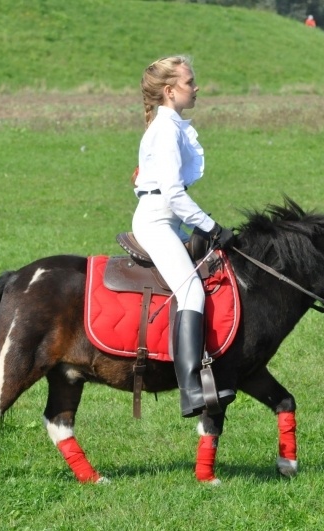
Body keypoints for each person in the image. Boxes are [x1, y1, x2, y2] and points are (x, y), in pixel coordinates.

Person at [132, 55, 236, 418]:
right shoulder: (165, 130)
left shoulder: (171, 126)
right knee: (191, 289)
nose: (196, 88)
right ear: (170, 90)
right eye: (190, 82)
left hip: (169, 220)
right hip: (158, 222)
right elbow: (173, 193)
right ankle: (191, 390)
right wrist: (210, 226)